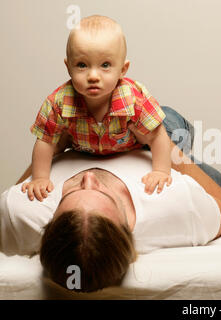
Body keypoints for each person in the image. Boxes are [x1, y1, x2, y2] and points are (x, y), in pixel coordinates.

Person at [0, 107, 221, 293]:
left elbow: (24, 184)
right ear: (127, 228)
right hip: (150, 152)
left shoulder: (22, 213)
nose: (89, 178)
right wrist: (166, 148)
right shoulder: (173, 207)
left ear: (49, 223)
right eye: (104, 194)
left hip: (77, 142)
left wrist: (57, 146)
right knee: (166, 117)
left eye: (72, 192)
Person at [22, 15, 173, 202]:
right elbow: (45, 142)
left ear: (123, 70)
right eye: (82, 65)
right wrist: (40, 178)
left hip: (151, 129)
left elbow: (158, 136)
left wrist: (160, 171)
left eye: (105, 65)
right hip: (94, 146)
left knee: (177, 145)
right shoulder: (58, 103)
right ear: (68, 67)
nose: (93, 76)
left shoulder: (135, 101)